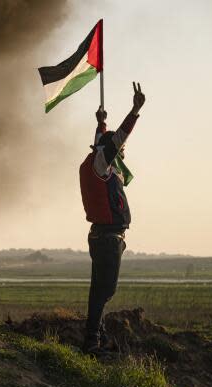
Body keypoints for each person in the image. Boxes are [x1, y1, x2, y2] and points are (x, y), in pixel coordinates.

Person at [79, 82, 146, 354]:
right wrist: (135, 110)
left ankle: (97, 337)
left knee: (100, 290)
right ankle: (92, 342)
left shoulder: (93, 161)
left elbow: (103, 142)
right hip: (107, 240)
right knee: (105, 291)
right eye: (118, 153)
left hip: (102, 238)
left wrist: (100, 123)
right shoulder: (100, 163)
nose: (122, 155)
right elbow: (115, 141)